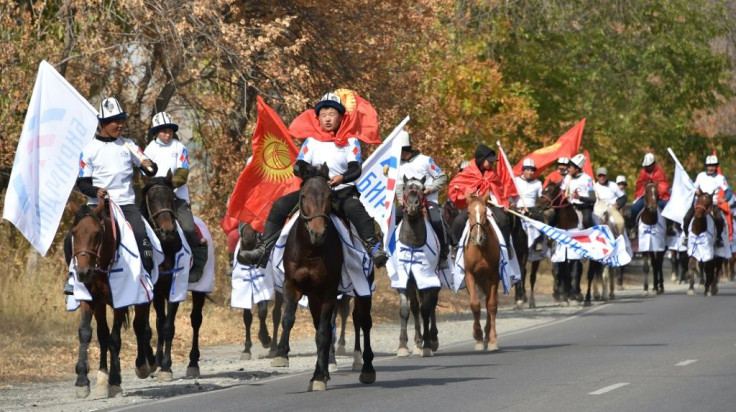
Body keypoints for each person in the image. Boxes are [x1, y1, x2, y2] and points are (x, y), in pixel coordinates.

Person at [237, 93, 388, 268]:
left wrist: (342, 178)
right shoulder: (312, 141)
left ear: (340, 117)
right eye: (323, 115)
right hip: (314, 192)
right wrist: (309, 172)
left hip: (341, 192)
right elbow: (298, 165)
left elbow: (356, 168)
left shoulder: (351, 141)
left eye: (331, 114)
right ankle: (263, 250)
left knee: (356, 209)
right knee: (279, 205)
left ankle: (373, 247)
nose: (327, 119)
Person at [64, 97, 158, 294]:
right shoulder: (88, 150)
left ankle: (146, 278)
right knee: (69, 238)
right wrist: (96, 191)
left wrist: (148, 166)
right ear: (104, 124)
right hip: (98, 206)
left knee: (142, 236)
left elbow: (150, 168)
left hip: (125, 204)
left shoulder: (129, 145)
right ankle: (72, 276)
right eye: (116, 121)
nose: (120, 125)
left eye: (122, 120)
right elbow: (82, 183)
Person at [143, 112, 208, 282]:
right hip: (156, 199)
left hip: (177, 198)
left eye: (170, 131)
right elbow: (144, 173)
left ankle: (197, 267)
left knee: (188, 228)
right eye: (163, 131)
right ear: (156, 133)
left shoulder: (179, 147)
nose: (167, 134)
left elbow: (182, 172)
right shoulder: (149, 150)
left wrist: (169, 185)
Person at [394, 130, 449, 268]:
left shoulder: (425, 160)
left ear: (403, 149)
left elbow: (442, 177)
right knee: (391, 217)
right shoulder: (397, 166)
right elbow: (399, 188)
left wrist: (429, 189)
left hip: (428, 202)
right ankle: (389, 252)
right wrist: (403, 203)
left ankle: (443, 254)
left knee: (436, 221)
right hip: (408, 204)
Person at [448, 144, 513, 254]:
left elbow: (498, 190)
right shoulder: (469, 171)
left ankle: (507, 247)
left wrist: (502, 203)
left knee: (503, 220)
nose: (492, 163)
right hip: (473, 204)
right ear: (481, 159)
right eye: (489, 161)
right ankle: (454, 246)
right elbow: (457, 184)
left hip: (489, 204)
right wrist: (468, 195)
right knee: (458, 221)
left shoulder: (492, 173)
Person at [683, 155, 732, 247]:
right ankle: (686, 236)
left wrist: (724, 199)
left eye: (713, 166)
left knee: (719, 219)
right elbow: (694, 187)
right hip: (699, 204)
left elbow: (728, 191)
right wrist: (695, 190)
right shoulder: (700, 175)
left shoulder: (720, 178)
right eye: (709, 166)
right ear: (706, 166)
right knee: (686, 217)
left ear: (716, 166)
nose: (711, 168)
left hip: (712, 204)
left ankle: (718, 238)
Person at [512, 158, 544, 250]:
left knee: (542, 217)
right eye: (528, 170)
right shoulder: (516, 180)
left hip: (532, 210)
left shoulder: (538, 183)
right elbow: (509, 193)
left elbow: (541, 198)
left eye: (532, 170)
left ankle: (539, 242)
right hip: (517, 209)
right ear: (523, 170)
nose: (530, 172)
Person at [630, 152, 670, 220]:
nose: (648, 167)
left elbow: (664, 184)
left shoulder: (659, 172)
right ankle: (633, 226)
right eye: (647, 165)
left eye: (650, 165)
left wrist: (657, 189)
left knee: (668, 206)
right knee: (635, 208)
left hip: (659, 197)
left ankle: (669, 226)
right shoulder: (643, 172)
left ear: (653, 164)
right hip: (645, 197)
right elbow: (639, 185)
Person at [564, 154, 596, 228]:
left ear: (577, 169)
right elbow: (561, 191)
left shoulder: (588, 179)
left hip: (584, 207)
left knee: (586, 221)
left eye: (570, 167)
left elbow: (593, 199)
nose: (568, 169)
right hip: (570, 206)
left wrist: (579, 197)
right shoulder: (567, 178)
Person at [593, 167, 626, 235]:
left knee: (620, 223)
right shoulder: (594, 187)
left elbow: (623, 197)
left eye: (604, 176)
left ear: (607, 176)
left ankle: (619, 237)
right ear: (597, 177)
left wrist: (618, 205)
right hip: (599, 208)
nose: (602, 178)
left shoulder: (613, 185)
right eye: (600, 176)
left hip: (611, 207)